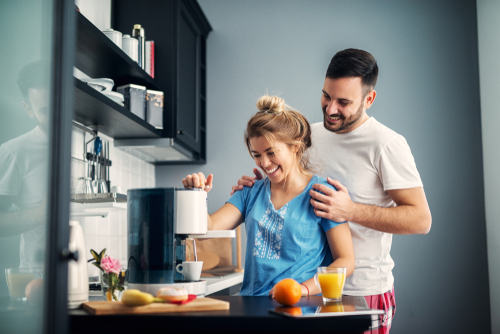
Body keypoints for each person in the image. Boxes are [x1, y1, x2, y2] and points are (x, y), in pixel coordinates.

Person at [231, 49, 432, 333]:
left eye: (344, 102)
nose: (331, 108)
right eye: (327, 96)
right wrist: (257, 186)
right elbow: (283, 178)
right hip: (311, 293)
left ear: (369, 99)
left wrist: (350, 210)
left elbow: (421, 220)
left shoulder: (386, 144)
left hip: (363, 289)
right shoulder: (307, 136)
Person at [182, 95, 355, 297]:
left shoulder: (323, 194)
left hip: (300, 309)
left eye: (271, 152)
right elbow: (207, 230)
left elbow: (346, 261)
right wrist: (197, 196)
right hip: (252, 308)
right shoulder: (249, 192)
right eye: (257, 155)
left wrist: (304, 289)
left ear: (295, 146)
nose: (264, 163)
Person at [0, 61, 50, 268]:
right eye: (47, 110)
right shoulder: (14, 152)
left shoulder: (87, 141)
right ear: (28, 109)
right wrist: (40, 213)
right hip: (39, 281)